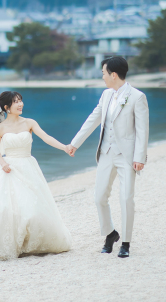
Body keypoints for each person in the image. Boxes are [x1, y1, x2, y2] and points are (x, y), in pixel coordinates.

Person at [0, 91, 72, 261]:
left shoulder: (29, 122)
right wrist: (3, 163)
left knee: (32, 208)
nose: (20, 104)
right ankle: (12, 244)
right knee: (6, 208)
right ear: (7, 107)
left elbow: (46, 137)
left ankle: (31, 243)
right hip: (9, 169)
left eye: (20, 100)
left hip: (28, 167)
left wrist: (64, 147)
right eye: (16, 102)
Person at [65, 56, 149, 258]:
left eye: (103, 73)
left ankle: (126, 243)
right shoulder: (106, 95)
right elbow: (93, 119)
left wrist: (140, 157)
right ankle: (111, 234)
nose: (102, 77)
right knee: (99, 197)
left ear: (114, 75)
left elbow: (142, 130)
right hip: (105, 153)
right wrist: (75, 143)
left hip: (126, 156)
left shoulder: (137, 97)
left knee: (126, 198)